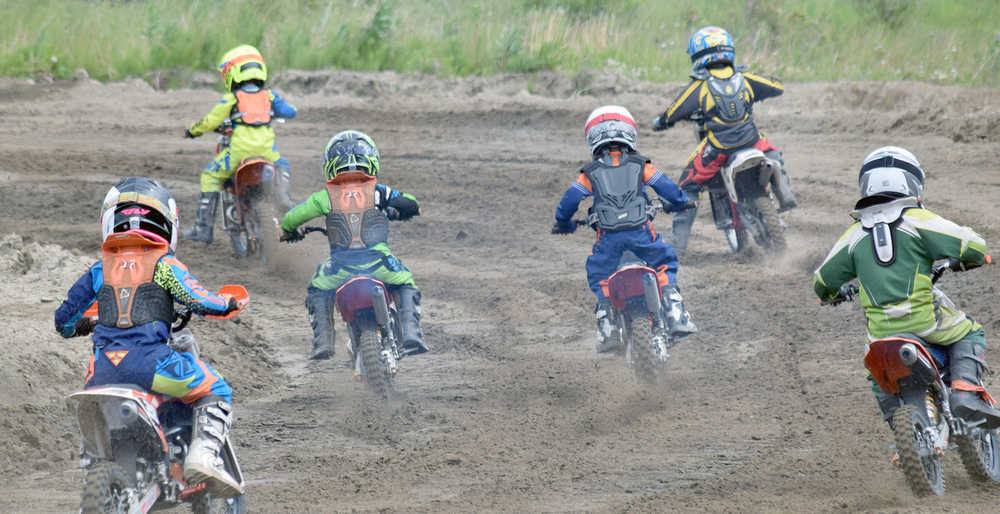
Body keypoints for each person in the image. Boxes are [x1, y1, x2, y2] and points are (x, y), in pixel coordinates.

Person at [54, 177, 245, 497]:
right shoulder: (164, 264)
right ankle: (203, 456)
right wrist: (227, 303)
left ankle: (95, 462)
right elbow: (199, 300)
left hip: (101, 371)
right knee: (216, 388)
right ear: (167, 224)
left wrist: (83, 326)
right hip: (150, 364)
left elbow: (63, 321)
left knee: (94, 413)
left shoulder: (99, 269)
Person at [813, 146, 1000, 429]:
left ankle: (894, 418)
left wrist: (831, 294)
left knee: (875, 366)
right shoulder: (916, 219)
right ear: (913, 182)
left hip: (881, 334)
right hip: (925, 323)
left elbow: (822, 281)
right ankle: (965, 391)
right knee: (970, 331)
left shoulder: (852, 235)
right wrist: (972, 255)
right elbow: (971, 245)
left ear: (865, 185)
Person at [552, 105, 697, 353]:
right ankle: (674, 310)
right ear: (630, 133)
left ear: (592, 138)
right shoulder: (642, 165)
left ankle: (607, 324)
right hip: (642, 235)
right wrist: (681, 202)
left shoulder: (589, 173)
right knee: (665, 262)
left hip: (609, 240)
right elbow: (666, 187)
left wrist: (563, 222)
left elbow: (569, 201)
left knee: (599, 274)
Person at [279, 130, 427, 360]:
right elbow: (409, 203)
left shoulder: (324, 197)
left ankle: (323, 341)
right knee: (405, 282)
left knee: (318, 290)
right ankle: (411, 333)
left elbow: (292, 219)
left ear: (329, 165)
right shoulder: (380, 192)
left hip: (340, 268)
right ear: (371, 161)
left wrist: (288, 231)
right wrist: (406, 209)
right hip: (379, 262)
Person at [651, 26, 796, 256]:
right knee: (771, 152)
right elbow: (776, 87)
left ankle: (678, 243)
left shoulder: (699, 86)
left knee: (688, 183)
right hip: (752, 141)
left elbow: (675, 111)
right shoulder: (746, 78)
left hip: (719, 148)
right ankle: (784, 192)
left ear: (697, 56)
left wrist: (661, 121)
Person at [183, 44, 297, 255]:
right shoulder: (269, 96)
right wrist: (272, 113)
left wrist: (193, 131)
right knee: (282, 164)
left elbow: (210, 121)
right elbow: (290, 112)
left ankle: (203, 228)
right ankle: (283, 198)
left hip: (238, 154)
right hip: (267, 154)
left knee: (209, 176)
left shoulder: (233, 98)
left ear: (232, 73)